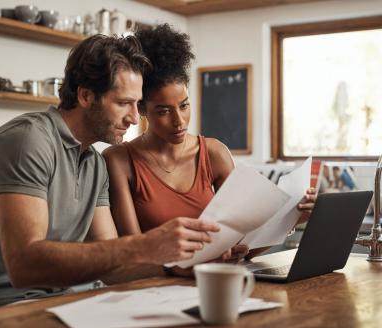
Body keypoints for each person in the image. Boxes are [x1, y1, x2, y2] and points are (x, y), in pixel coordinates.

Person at [0, 34, 221, 314]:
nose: (135, 118)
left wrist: (175, 266)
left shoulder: (94, 163)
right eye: (123, 103)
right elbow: (24, 265)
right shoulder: (28, 140)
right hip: (0, 308)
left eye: (137, 105)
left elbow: (112, 265)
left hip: (66, 302)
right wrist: (146, 245)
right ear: (86, 95)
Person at [102, 24, 317, 264]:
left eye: (184, 105)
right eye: (163, 111)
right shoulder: (119, 160)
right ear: (141, 108)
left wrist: (293, 217)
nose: (179, 121)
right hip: (155, 291)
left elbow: (245, 248)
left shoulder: (214, 154)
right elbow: (133, 255)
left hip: (213, 284)